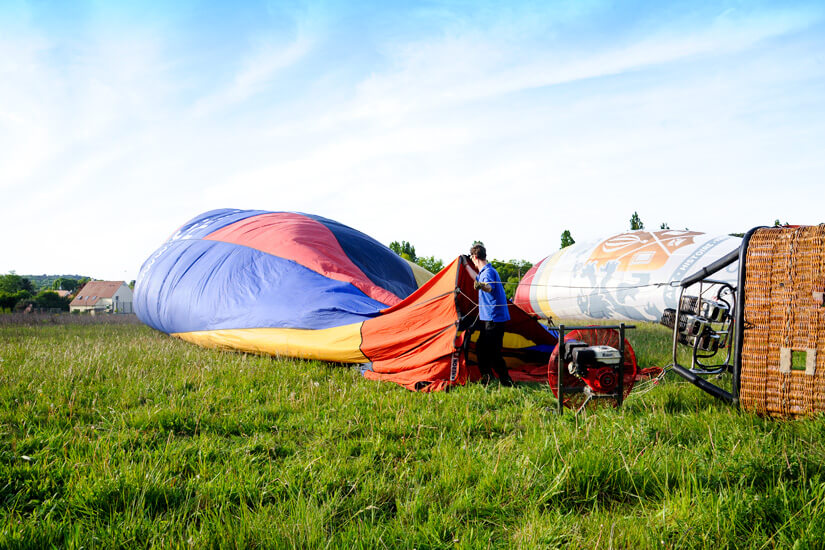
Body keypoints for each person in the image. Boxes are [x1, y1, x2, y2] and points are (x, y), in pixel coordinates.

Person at [469, 242, 514, 386]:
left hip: (494, 319)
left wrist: (482, 286)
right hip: (490, 318)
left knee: (494, 353)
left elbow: (488, 287)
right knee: (481, 348)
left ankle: (507, 382)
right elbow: (475, 278)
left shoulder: (487, 273)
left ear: (475, 257)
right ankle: (487, 377)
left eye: (471, 259)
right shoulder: (484, 272)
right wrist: (464, 265)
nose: (472, 262)